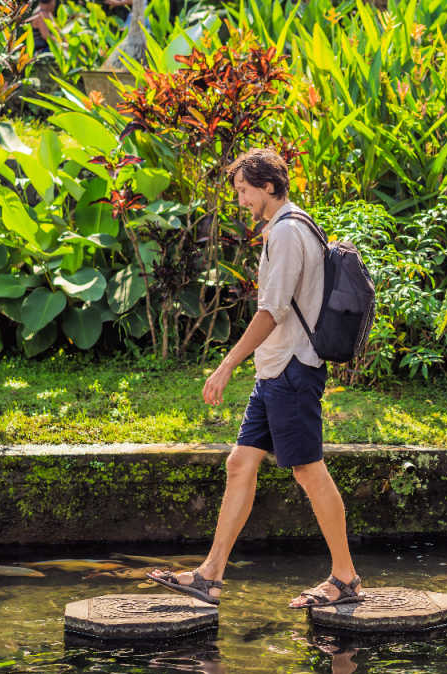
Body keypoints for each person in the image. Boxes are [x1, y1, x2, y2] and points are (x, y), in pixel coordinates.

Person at [148, 148, 365, 609]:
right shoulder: (293, 225)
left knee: (308, 470)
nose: (241, 200)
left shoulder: (287, 232)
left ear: (268, 186)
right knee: (240, 464)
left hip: (291, 369)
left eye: (244, 191)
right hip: (275, 371)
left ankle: (345, 577)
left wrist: (226, 365)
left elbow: (273, 310)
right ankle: (210, 575)